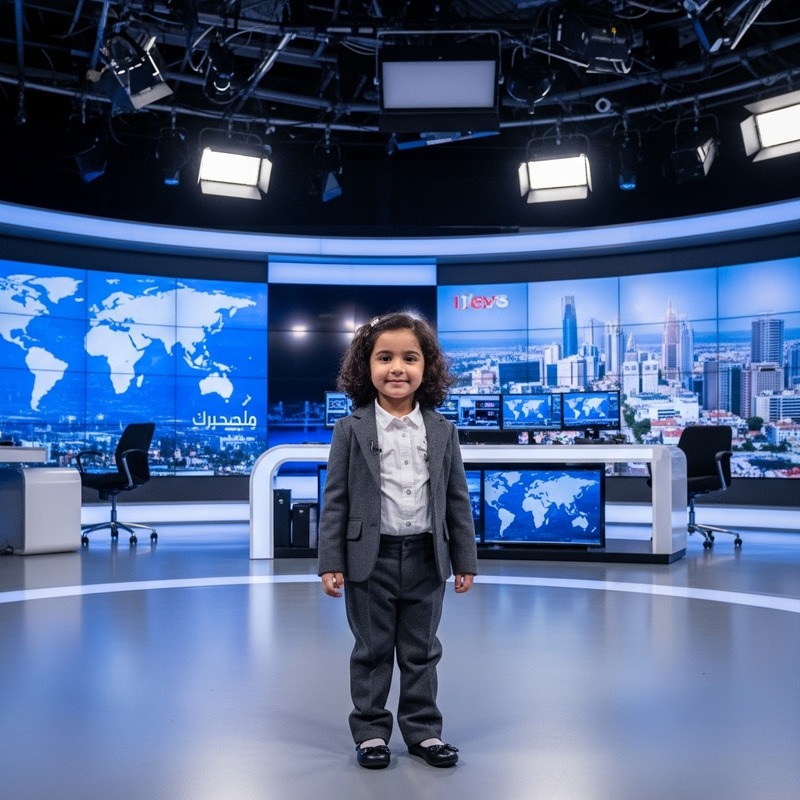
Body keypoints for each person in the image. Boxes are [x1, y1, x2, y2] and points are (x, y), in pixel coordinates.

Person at [318, 312, 478, 770]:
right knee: (371, 651)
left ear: (426, 367)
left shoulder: (443, 430)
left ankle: (424, 733)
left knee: (422, 651)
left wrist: (464, 559)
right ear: (365, 366)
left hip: (429, 557)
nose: (397, 368)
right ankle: (370, 733)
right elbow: (336, 500)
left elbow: (456, 500)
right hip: (370, 559)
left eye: (409, 358)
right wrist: (330, 561)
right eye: (384, 357)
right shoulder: (350, 429)